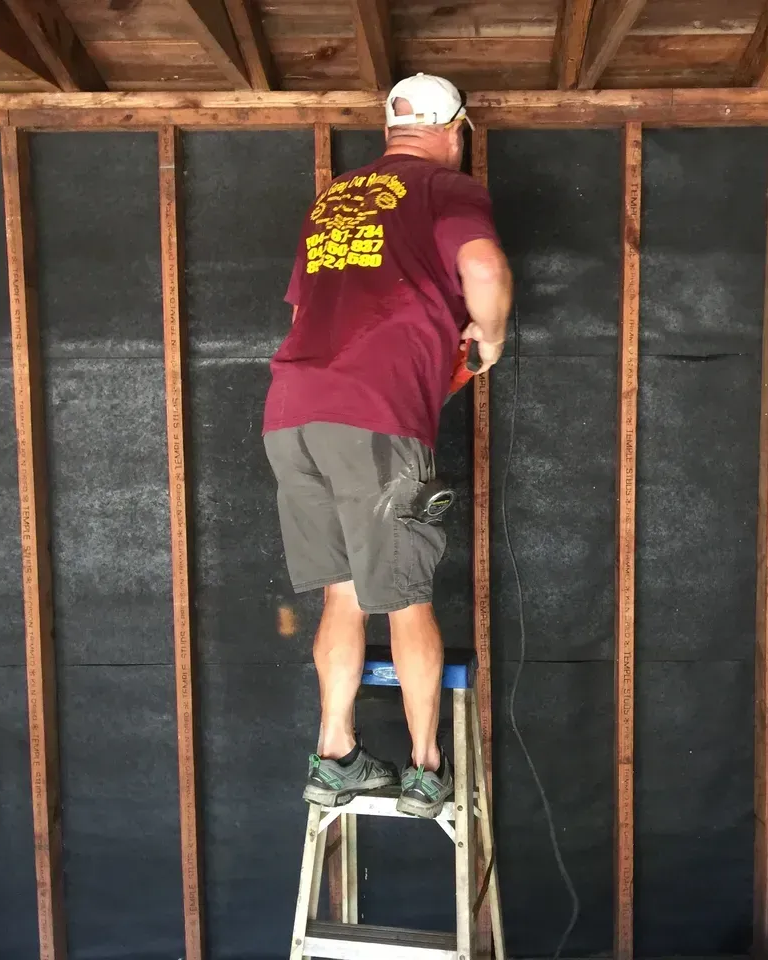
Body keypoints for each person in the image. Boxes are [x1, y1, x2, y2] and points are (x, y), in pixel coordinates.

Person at [263, 74, 512, 819]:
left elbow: (309, 304)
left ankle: (336, 754)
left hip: (292, 413)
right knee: (404, 596)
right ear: (456, 128)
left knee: (343, 590)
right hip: (372, 417)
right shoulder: (445, 186)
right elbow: (485, 269)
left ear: (388, 126)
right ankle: (427, 767)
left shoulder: (337, 197)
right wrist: (489, 337)